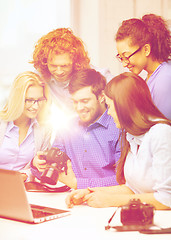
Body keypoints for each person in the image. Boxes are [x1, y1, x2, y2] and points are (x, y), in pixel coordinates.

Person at [65, 72, 171, 210]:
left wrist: (112, 200)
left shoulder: (161, 133)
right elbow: (133, 189)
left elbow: (167, 198)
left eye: (110, 106)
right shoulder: (131, 136)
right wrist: (91, 192)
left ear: (124, 106)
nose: (108, 113)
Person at [31, 69, 120, 189]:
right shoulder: (67, 127)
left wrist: (78, 184)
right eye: (75, 102)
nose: (79, 108)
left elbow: (123, 179)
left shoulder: (118, 128)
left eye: (84, 101)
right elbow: (51, 171)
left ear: (101, 97)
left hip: (106, 202)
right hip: (72, 200)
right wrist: (37, 164)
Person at [31, 28, 113, 112]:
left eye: (64, 66)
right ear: (45, 62)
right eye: (53, 66)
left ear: (75, 62)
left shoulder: (100, 77)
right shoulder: (38, 77)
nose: (59, 71)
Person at [115, 13, 171, 119]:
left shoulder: (164, 80)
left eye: (127, 56)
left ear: (146, 49)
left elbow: (162, 129)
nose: (124, 63)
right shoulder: (152, 77)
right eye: (121, 57)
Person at [0, 71, 51, 181]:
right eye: (30, 100)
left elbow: (41, 172)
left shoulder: (44, 129)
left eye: (40, 100)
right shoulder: (2, 123)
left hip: (25, 190)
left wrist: (31, 168)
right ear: (17, 99)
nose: (36, 106)